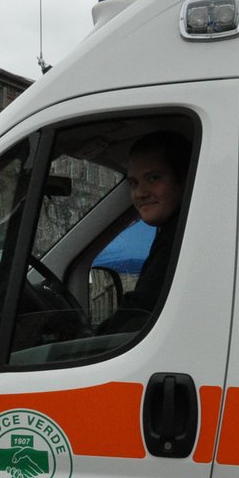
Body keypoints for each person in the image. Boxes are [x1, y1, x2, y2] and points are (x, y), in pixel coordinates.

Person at [101, 130, 190, 333]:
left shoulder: (181, 240)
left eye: (153, 178)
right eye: (134, 183)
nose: (140, 193)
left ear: (184, 179)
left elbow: (139, 313)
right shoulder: (174, 231)